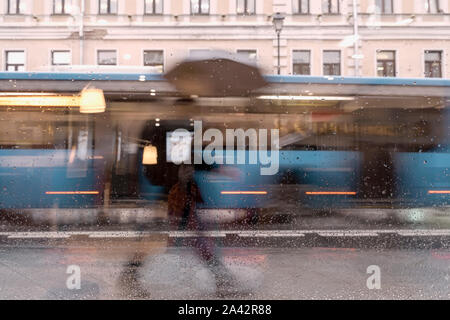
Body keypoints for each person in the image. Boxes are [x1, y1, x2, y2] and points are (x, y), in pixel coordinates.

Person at [168, 164, 237, 297]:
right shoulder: (188, 185)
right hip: (196, 217)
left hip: (195, 217)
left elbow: (188, 202)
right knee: (204, 249)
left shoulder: (190, 183)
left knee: (204, 249)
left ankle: (224, 281)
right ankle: (224, 281)